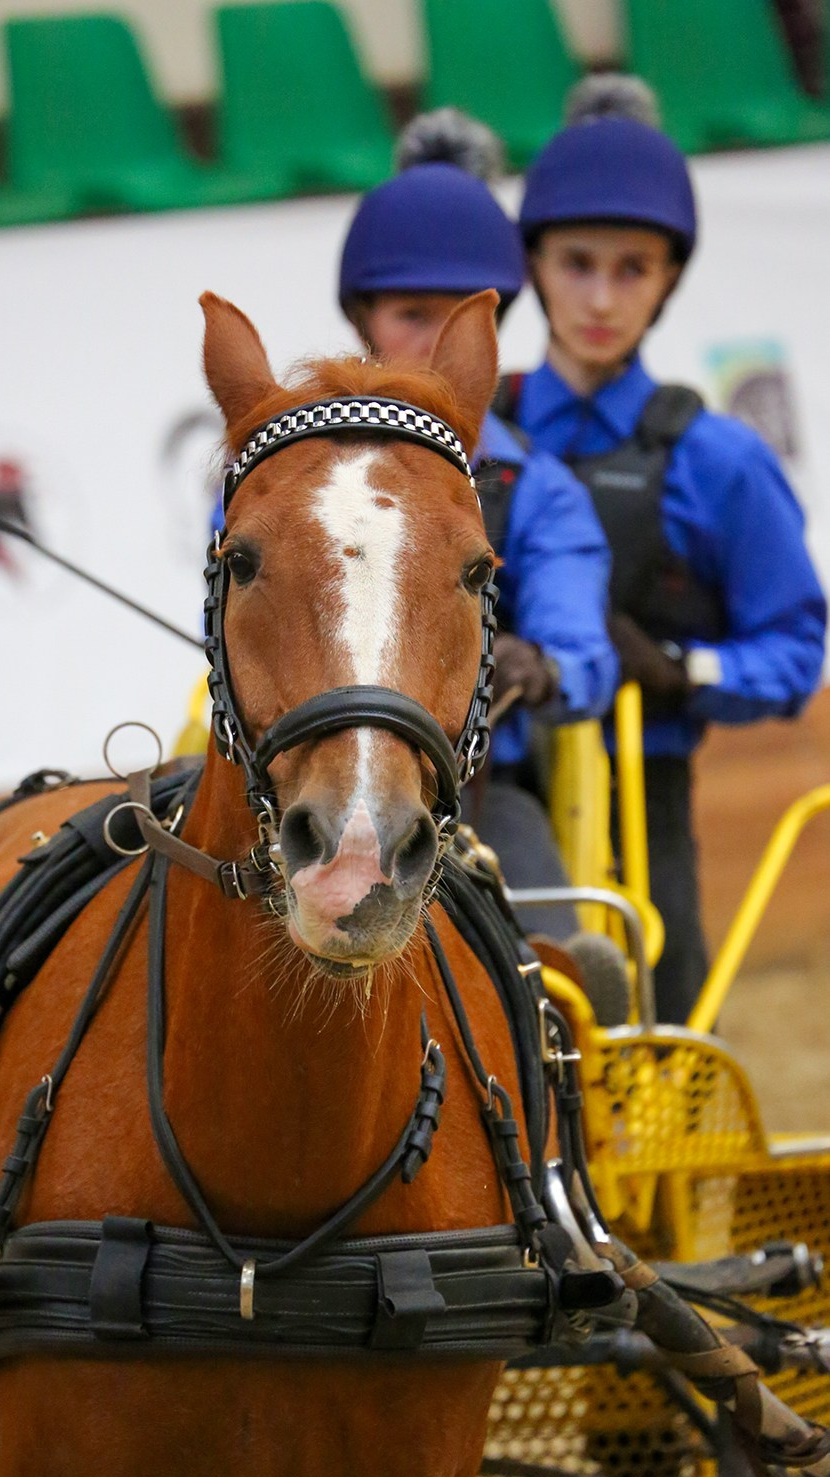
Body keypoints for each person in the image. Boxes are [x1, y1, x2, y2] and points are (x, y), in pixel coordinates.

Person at [501, 77, 827, 1020]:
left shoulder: (717, 459)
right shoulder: (480, 434)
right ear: (532, 265)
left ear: (669, 277)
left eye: (632, 268)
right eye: (576, 263)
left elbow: (794, 646)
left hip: (645, 810)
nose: (601, 298)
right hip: (493, 794)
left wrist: (681, 668)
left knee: (665, 1067)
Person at [321, 111, 618, 942]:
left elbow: (582, 650)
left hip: (479, 794)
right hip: (308, 785)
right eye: (413, 314)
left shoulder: (538, 491)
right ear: (363, 320)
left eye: (464, 321)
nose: (435, 346)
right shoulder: (296, 471)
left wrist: (546, 665)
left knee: (563, 965)